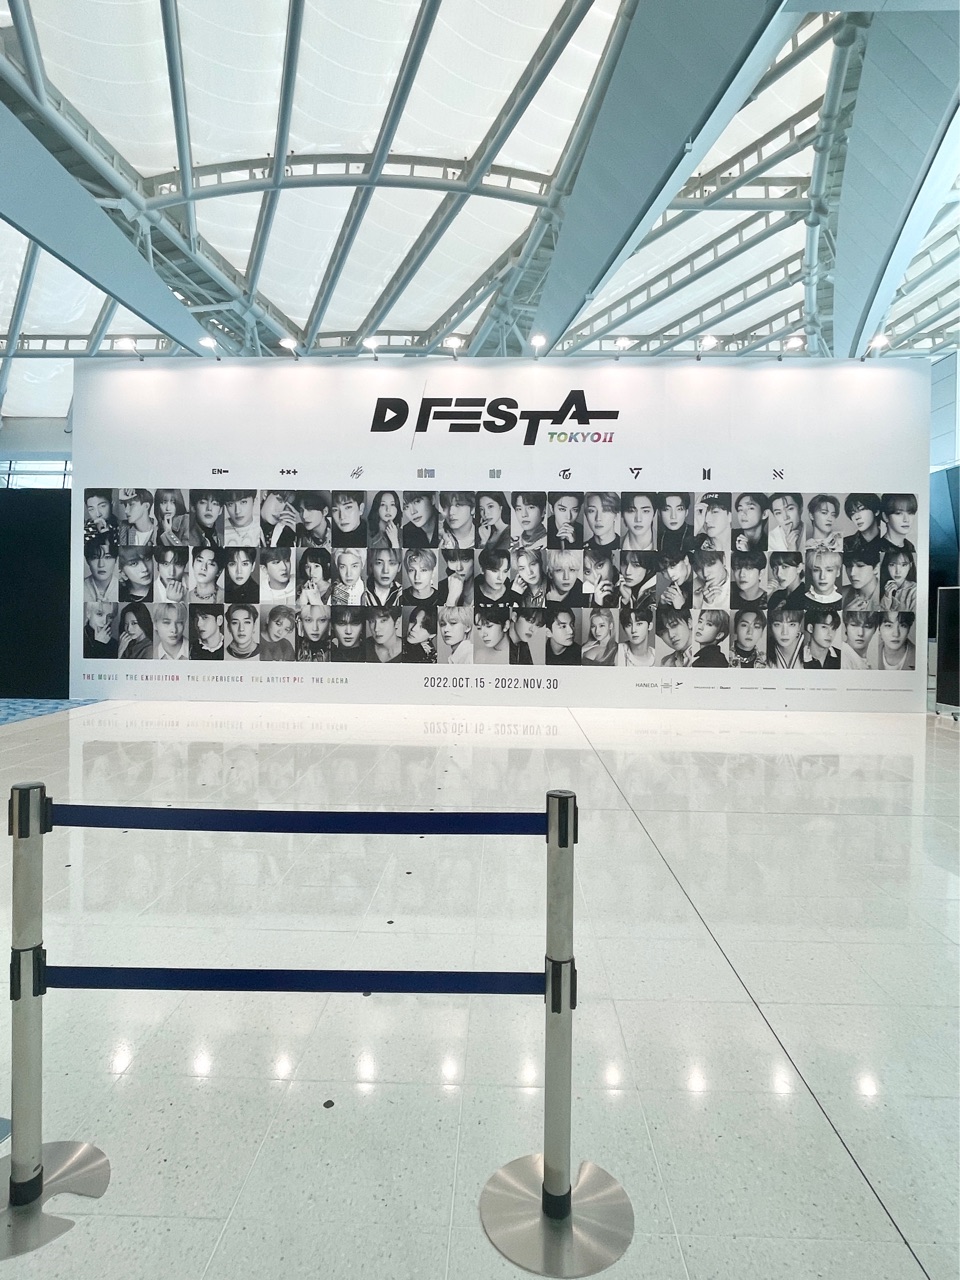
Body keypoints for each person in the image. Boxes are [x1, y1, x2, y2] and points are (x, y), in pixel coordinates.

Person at [841, 543, 881, 611]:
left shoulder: (888, 596)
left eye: (860, 566)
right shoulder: (841, 594)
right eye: (848, 566)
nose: (852, 573)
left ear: (876, 568)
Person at [83, 530, 119, 602]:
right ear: (87, 561)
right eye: (95, 557)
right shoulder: (78, 587)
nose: (101, 565)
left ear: (116, 560)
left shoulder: (123, 589)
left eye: (107, 557)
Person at [879, 547, 917, 612]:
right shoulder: (878, 587)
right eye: (892, 565)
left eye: (904, 565)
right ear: (886, 566)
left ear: (910, 566)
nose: (898, 571)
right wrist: (887, 597)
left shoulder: (915, 591)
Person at [657, 492, 695, 557]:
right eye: (667, 509)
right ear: (659, 513)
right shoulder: (656, 538)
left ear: (686, 512)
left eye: (679, 509)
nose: (673, 516)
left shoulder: (696, 536)